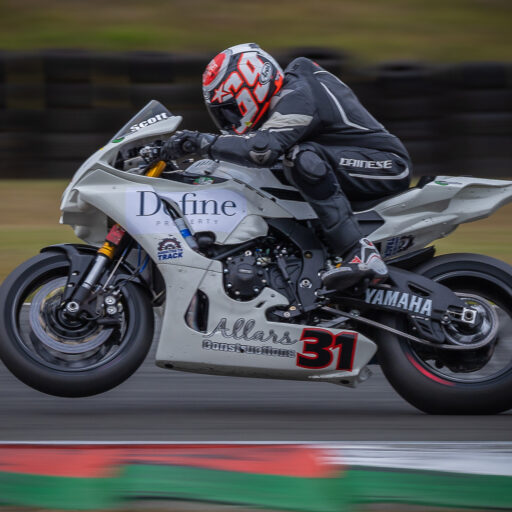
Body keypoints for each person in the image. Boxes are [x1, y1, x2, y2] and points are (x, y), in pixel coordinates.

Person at [162, 43, 411, 291]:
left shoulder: (299, 93)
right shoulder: (284, 99)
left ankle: (359, 251)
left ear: (251, 88)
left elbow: (260, 151)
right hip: (342, 165)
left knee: (301, 158)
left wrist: (201, 142)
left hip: (386, 165)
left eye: (230, 110)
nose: (229, 120)